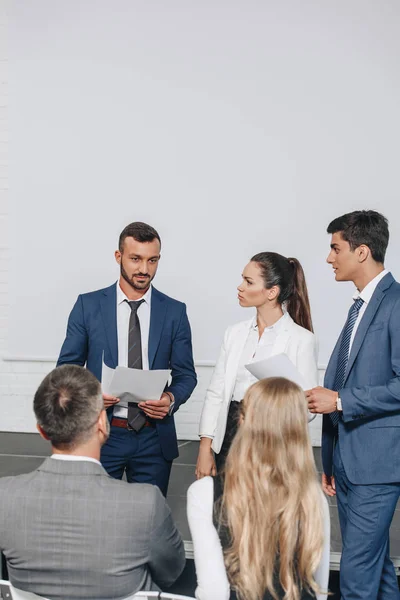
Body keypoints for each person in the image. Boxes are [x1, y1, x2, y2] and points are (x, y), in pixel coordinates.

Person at [0, 365, 185, 600]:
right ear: (102, 422)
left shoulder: (5, 496)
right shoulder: (145, 503)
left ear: (42, 430)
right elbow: (171, 572)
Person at [57, 221, 197, 496]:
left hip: (153, 438)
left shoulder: (174, 312)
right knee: (93, 517)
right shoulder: (88, 306)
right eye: (135, 259)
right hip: (99, 433)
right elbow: (66, 369)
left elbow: (186, 375)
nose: (144, 269)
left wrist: (169, 400)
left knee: (147, 525)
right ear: (118, 257)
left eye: (152, 260)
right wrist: (90, 394)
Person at [306, 210, 400, 600]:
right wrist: (330, 461)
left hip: (376, 465)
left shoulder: (396, 303)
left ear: (362, 252)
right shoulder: (359, 305)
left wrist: (341, 400)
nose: (329, 258)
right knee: (376, 570)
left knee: (357, 577)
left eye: (335, 248)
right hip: (347, 462)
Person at [188, 377, 330, 600]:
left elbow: (214, 592)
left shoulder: (204, 493)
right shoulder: (314, 498)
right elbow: (319, 588)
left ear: (242, 420)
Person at [196, 251, 318, 478]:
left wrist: (273, 407)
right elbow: (216, 393)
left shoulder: (302, 340)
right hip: (229, 438)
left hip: (274, 445)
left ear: (272, 292)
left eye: (248, 281)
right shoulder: (234, 334)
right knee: (223, 511)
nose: (240, 287)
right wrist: (205, 447)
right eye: (242, 279)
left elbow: (308, 408)